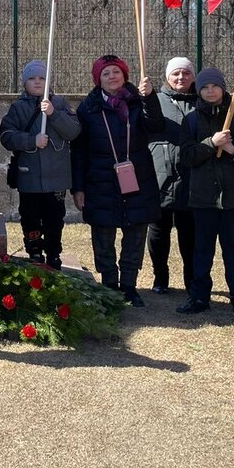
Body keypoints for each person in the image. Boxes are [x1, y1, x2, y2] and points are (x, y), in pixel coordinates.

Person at [72, 55, 164, 306]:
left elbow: (155, 125)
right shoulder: (87, 108)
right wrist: (77, 188)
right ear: (97, 79)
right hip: (99, 181)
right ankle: (110, 284)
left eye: (116, 72)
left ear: (125, 75)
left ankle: (129, 286)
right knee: (103, 234)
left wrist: (150, 98)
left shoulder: (138, 102)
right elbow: (78, 152)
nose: (112, 77)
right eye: (106, 73)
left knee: (135, 233)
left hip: (137, 177)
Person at [176, 67, 234, 324]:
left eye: (215, 86)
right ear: (199, 91)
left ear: (223, 88)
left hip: (232, 197)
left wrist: (232, 149)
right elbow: (187, 157)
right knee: (201, 249)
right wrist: (210, 144)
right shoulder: (191, 121)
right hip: (202, 197)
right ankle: (199, 297)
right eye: (204, 87)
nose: (210, 90)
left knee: (231, 249)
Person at [0, 60, 81, 268]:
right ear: (24, 83)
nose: (37, 82)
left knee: (55, 218)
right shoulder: (18, 108)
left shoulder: (61, 104)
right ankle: (34, 251)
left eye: (42, 78)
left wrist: (54, 114)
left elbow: (74, 131)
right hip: (29, 176)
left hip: (56, 177)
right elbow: (7, 136)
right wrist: (30, 141)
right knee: (30, 216)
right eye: (32, 78)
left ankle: (54, 252)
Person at [146, 57, 198, 295]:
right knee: (158, 231)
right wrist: (145, 98)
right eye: (176, 73)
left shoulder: (202, 101)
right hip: (161, 177)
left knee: (190, 235)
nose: (181, 78)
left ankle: (192, 279)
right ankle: (160, 278)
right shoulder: (155, 100)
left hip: (193, 178)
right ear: (167, 76)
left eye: (186, 74)